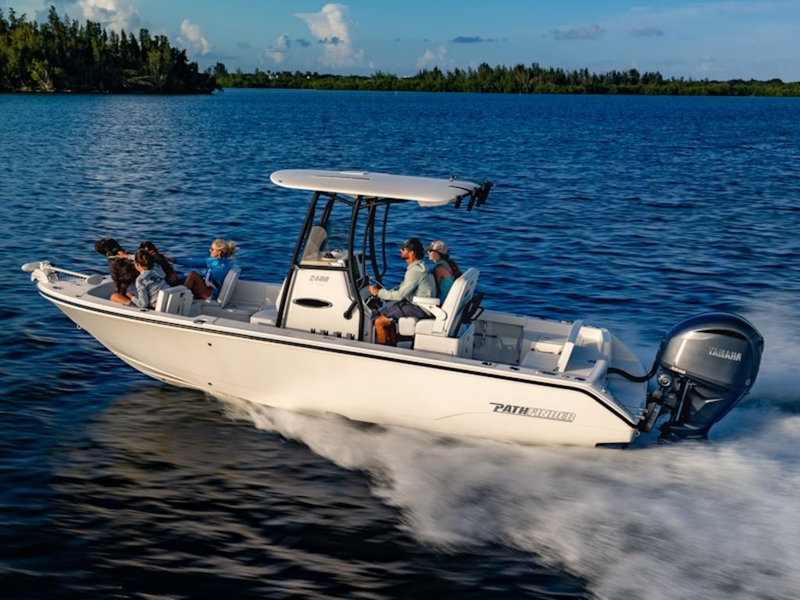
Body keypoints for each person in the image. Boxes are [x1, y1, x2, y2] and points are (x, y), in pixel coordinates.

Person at [367, 237, 435, 345]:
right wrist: (387, 292)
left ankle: (382, 350)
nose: (400, 251)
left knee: (379, 321)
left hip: (420, 308)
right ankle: (393, 345)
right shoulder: (417, 267)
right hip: (417, 304)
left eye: (403, 249)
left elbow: (399, 295)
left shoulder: (415, 271)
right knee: (387, 315)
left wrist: (378, 292)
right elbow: (403, 287)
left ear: (412, 253)